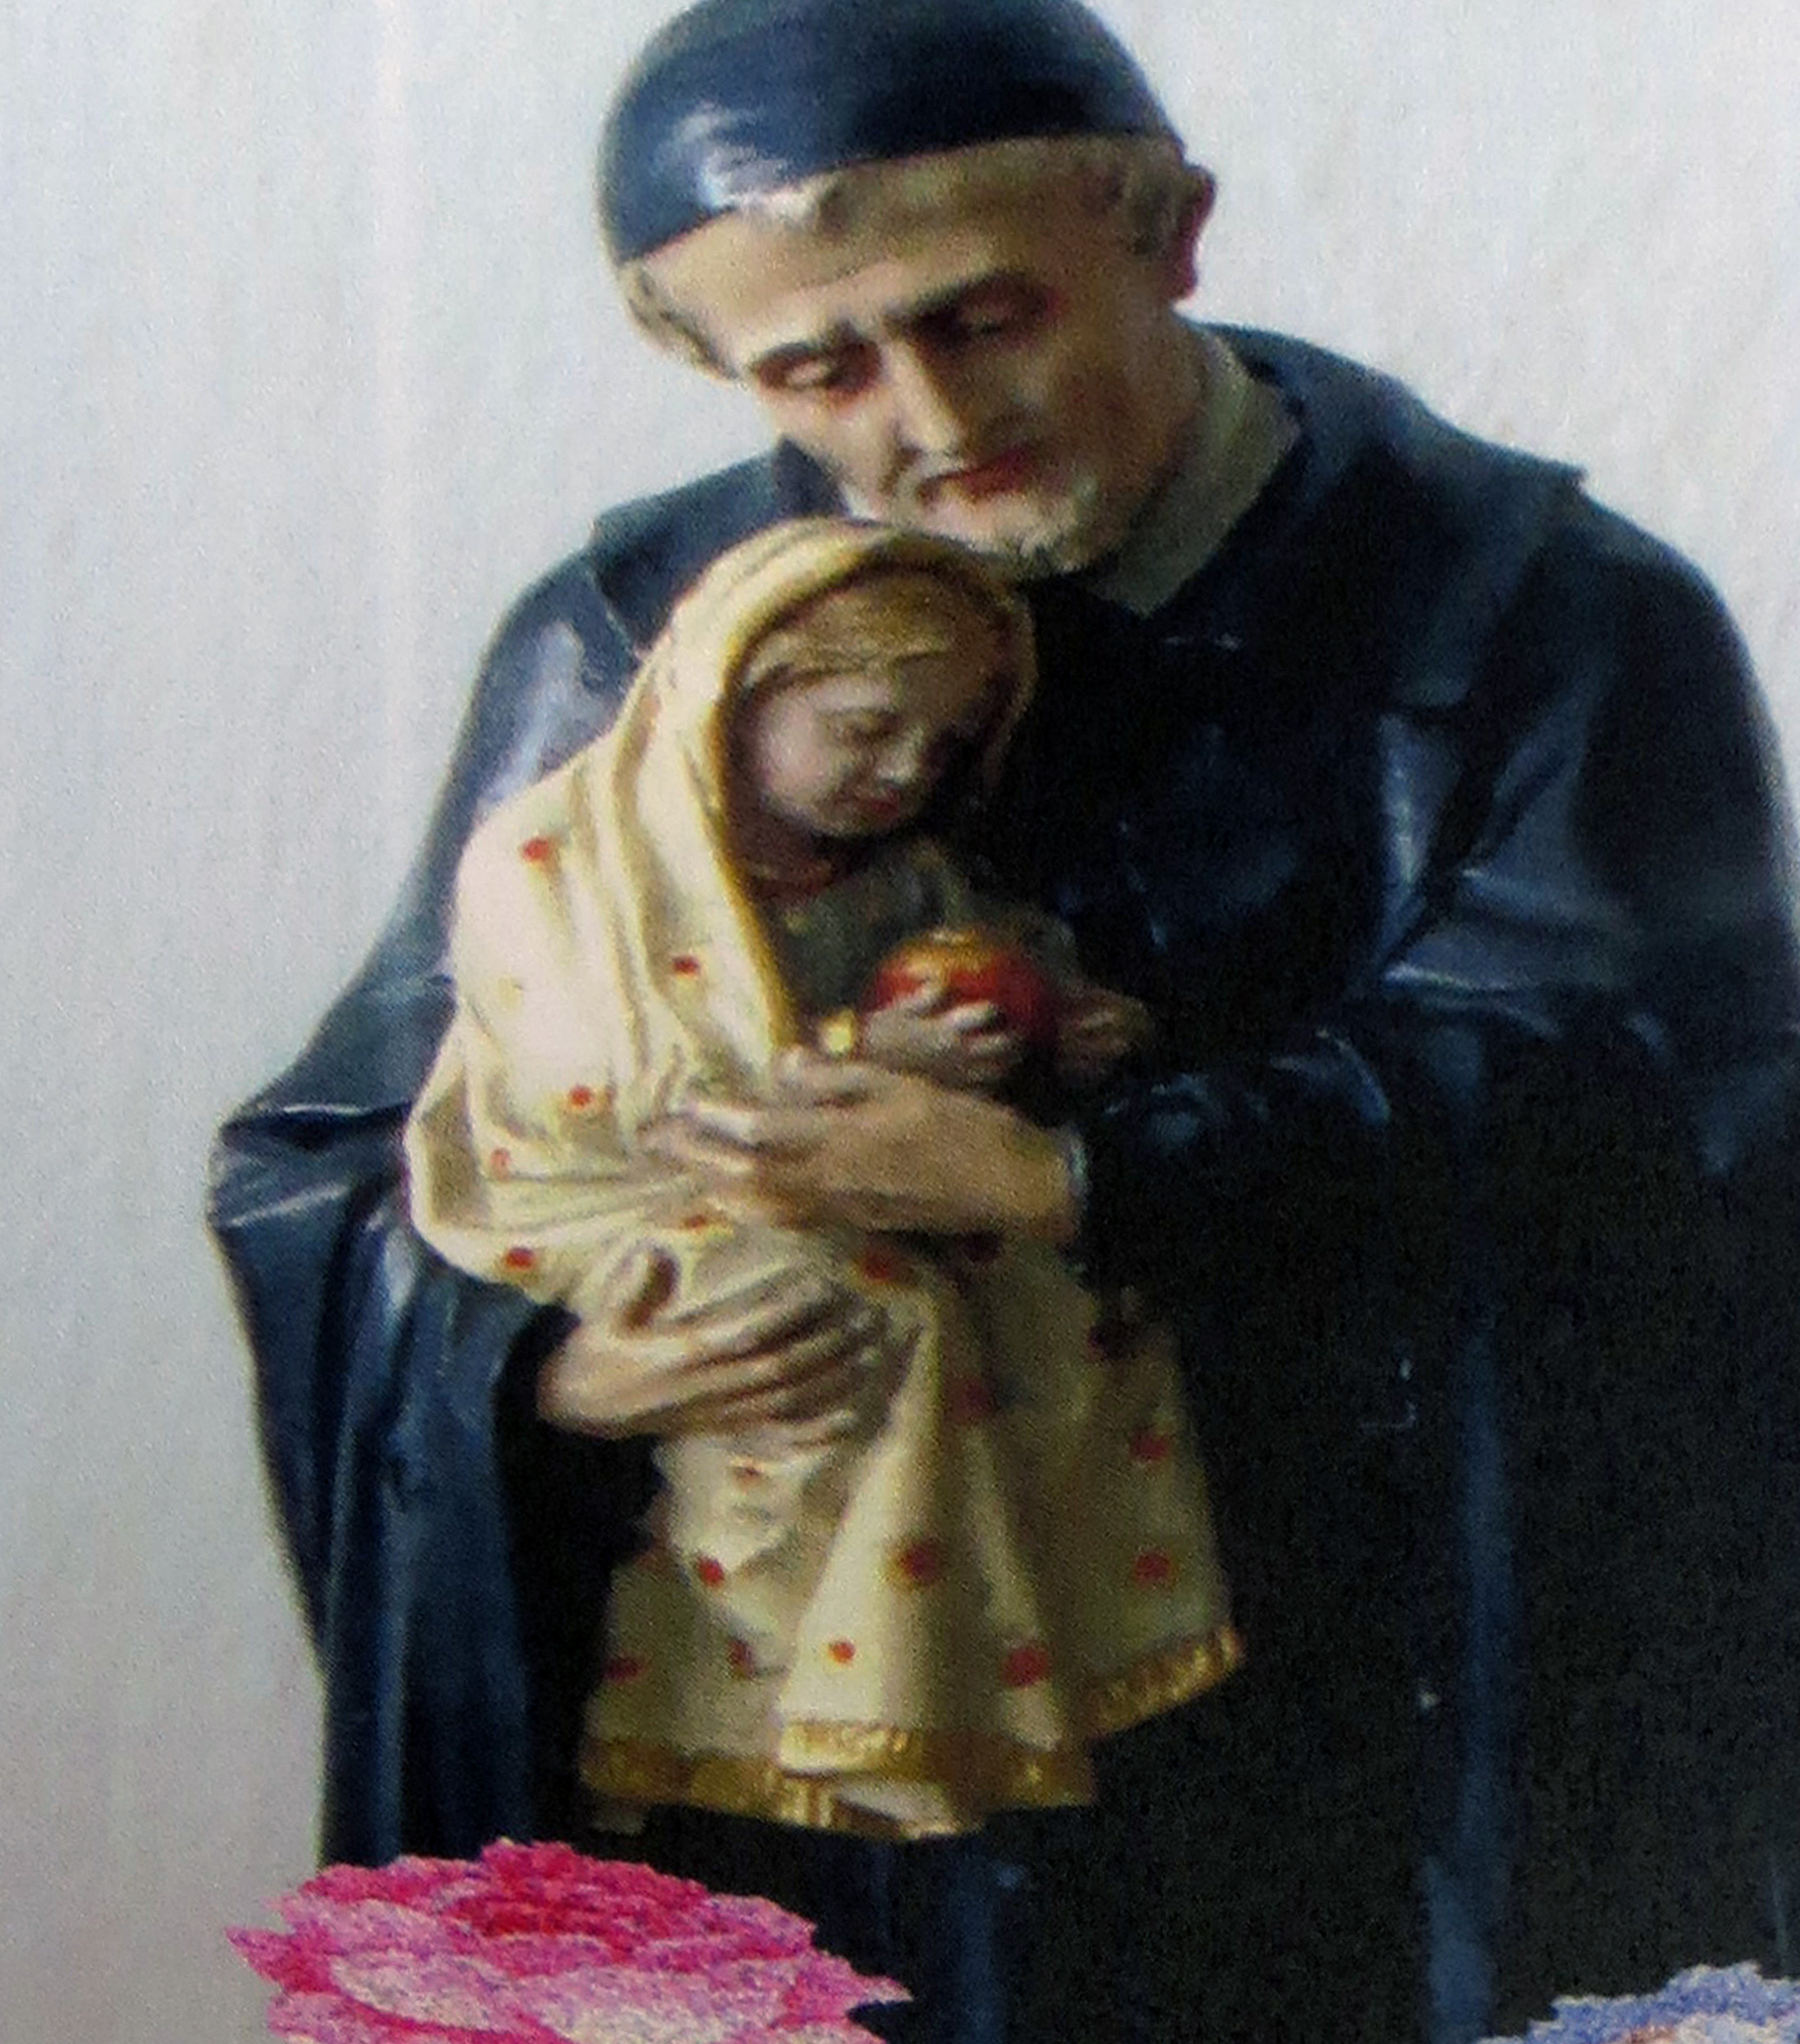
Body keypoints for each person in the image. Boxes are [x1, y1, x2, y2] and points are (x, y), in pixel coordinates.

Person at [210, 0, 1800, 2044]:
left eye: (981, 317)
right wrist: (543, 1367)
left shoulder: (1520, 621)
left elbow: (1655, 1125)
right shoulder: (649, 638)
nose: (920, 422)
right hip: (805, 1790)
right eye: (816, 370)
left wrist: (1095, 1179)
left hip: (1365, 1779)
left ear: (1164, 231)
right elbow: (365, 1155)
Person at [405, 514, 1236, 1844]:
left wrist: (1053, 1023)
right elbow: (619, 1091)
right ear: (733, 691)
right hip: (607, 1193)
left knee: (1069, 1311)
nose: (903, 772)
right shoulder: (560, 857)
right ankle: (791, 1710)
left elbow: (986, 960)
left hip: (825, 1174)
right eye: (863, 730)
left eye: (943, 746)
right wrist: (858, 1057)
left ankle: (1022, 1679)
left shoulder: (896, 878)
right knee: (873, 1319)